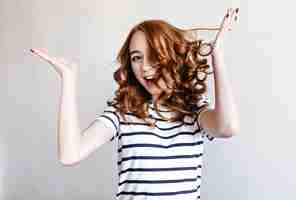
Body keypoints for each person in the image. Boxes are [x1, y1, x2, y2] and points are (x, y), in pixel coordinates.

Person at [29, 7, 240, 200]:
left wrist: (217, 56)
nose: (145, 68)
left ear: (172, 56)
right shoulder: (123, 111)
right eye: (137, 58)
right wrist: (69, 79)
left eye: (154, 56)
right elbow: (70, 155)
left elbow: (227, 127)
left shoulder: (194, 109)